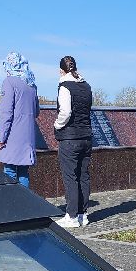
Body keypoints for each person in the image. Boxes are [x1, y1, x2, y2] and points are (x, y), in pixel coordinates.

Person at [52, 55, 93, 230]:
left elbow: (65, 112)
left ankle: (71, 216)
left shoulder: (64, 86)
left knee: (70, 177)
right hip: (86, 136)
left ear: (61, 70)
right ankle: (83, 215)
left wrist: (57, 125)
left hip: (70, 138)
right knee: (84, 175)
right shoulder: (86, 86)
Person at [0, 51, 39, 189]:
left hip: (12, 136)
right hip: (27, 136)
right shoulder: (31, 83)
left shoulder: (9, 82)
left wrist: (1, 138)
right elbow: (36, 111)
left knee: (9, 171)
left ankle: (9, 201)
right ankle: (25, 201)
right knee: (23, 172)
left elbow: (6, 113)